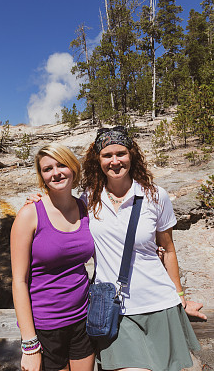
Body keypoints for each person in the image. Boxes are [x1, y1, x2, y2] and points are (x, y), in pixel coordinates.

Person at [81, 126, 206, 371]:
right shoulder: (88, 200)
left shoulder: (155, 196)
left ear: (132, 155)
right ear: (98, 160)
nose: (115, 161)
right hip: (115, 311)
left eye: (121, 153)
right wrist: (37, 202)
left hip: (159, 304)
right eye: (107, 155)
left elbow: (168, 249)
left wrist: (180, 296)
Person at [10, 143, 95, 371]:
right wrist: (29, 344)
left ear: (73, 168)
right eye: (47, 169)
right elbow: (19, 281)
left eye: (61, 165)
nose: (55, 172)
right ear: (42, 176)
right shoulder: (30, 214)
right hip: (46, 327)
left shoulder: (85, 208)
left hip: (84, 319)